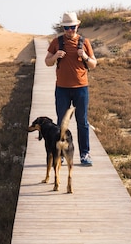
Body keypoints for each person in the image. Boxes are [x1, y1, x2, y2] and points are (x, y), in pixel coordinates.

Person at [45, 12, 97, 166]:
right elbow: (47, 61)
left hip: (81, 88)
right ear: (63, 28)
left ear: (77, 26)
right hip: (62, 89)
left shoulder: (84, 42)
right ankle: (60, 154)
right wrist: (55, 57)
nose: (70, 30)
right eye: (67, 27)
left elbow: (94, 63)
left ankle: (85, 154)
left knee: (82, 122)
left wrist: (85, 57)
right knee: (61, 123)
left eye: (72, 27)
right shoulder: (57, 42)